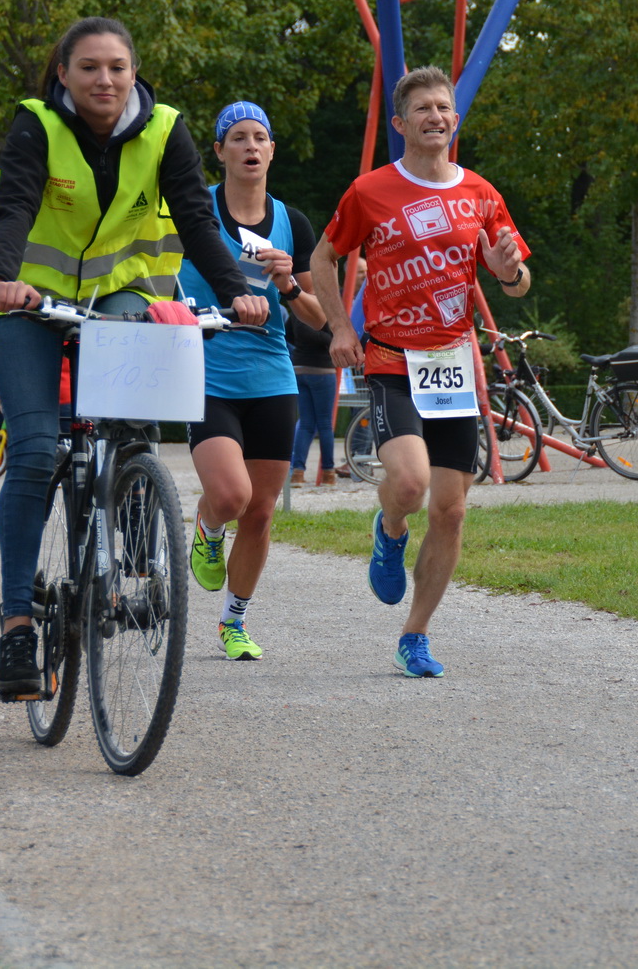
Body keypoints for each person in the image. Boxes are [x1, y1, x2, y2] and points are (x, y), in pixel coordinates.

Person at [0, 16, 268, 701]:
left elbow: (196, 216)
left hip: (121, 294)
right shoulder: (36, 126)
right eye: (88, 68)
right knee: (32, 449)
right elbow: (16, 204)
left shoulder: (165, 129)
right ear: (63, 76)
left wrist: (236, 291)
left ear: (134, 73)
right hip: (32, 301)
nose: (103, 79)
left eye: (116, 66)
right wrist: (2, 278)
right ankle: (17, 620)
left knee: (131, 425)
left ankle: (130, 554)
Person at [310, 66, 530, 679]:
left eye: (445, 107)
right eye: (423, 109)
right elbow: (323, 256)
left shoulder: (481, 195)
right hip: (388, 359)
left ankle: (416, 634)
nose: (436, 116)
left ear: (455, 120)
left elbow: (517, 282)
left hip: (451, 363)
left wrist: (506, 270)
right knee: (408, 484)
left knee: (453, 510)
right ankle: (389, 526)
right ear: (402, 124)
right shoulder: (370, 191)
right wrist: (340, 328)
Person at [181, 101, 328, 661]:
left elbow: (317, 320)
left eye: (258, 137)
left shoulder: (293, 222)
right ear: (219, 152)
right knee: (231, 495)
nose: (249, 146)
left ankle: (233, 622)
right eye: (236, 137)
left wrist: (289, 285)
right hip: (207, 370)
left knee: (262, 511)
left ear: (270, 150)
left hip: (271, 374)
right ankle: (207, 525)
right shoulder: (193, 214)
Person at [287, 307, 339, 486]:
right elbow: (315, 336)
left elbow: (289, 335)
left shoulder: (297, 308)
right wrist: (332, 338)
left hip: (299, 367)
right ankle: (328, 473)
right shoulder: (321, 308)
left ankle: (298, 472)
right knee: (325, 424)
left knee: (306, 423)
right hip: (322, 369)